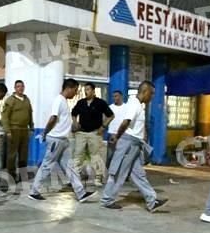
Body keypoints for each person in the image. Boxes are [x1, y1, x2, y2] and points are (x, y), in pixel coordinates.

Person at [100, 81, 167, 212]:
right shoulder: (134, 105)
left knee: (139, 175)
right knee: (119, 172)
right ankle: (107, 200)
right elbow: (126, 122)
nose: (152, 97)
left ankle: (151, 201)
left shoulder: (138, 106)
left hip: (135, 145)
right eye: (151, 93)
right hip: (128, 144)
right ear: (145, 91)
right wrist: (118, 136)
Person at [28, 79, 95, 203]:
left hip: (63, 140)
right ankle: (33, 191)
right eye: (75, 90)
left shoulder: (63, 101)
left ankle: (81, 193)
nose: (75, 94)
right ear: (69, 88)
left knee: (70, 167)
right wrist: (44, 132)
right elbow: (53, 118)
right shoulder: (59, 100)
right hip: (56, 140)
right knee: (46, 166)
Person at [71, 83, 113, 186]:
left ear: (93, 91)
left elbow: (111, 115)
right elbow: (73, 113)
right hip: (81, 133)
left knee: (95, 156)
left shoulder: (100, 103)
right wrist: (75, 123)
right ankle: (75, 177)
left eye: (88, 89)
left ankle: (98, 178)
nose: (86, 91)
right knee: (78, 155)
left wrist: (103, 127)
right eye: (85, 90)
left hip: (94, 133)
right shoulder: (81, 102)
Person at [1, 80, 33, 182]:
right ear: (15, 88)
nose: (20, 88)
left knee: (24, 154)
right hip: (13, 129)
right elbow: (4, 116)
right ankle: (11, 175)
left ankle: (23, 175)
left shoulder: (27, 100)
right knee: (12, 154)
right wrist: (7, 131)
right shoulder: (10, 100)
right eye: (18, 86)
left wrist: (31, 127)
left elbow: (30, 114)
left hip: (24, 130)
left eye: (22, 86)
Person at [106, 90, 127, 168]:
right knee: (110, 155)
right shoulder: (110, 107)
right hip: (112, 134)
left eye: (116, 96)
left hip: (123, 134)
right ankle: (108, 171)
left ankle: (121, 173)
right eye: (114, 96)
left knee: (122, 155)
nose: (115, 98)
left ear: (121, 96)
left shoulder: (126, 108)